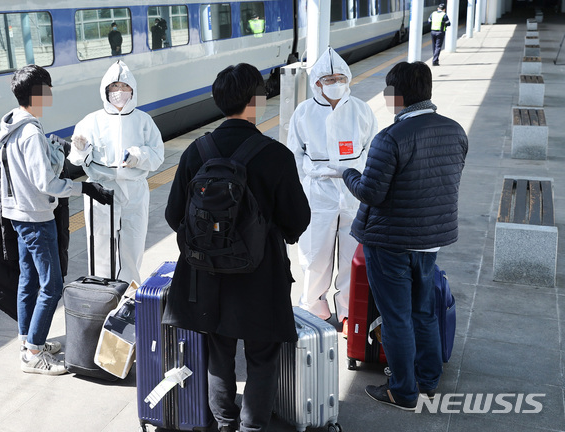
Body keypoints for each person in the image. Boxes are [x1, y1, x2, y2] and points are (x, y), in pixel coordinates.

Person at [162, 63, 310, 432]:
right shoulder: (276, 155)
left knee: (218, 352)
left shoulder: (196, 152)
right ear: (257, 101)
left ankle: (225, 422)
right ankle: (253, 426)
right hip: (261, 275)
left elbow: (172, 215)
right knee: (262, 354)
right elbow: (298, 219)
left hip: (206, 276)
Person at [338, 61, 468, 409]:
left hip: (391, 243)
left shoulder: (390, 137)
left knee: (396, 317)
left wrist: (348, 172)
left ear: (397, 96)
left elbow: (371, 193)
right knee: (423, 312)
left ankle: (403, 391)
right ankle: (428, 382)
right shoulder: (455, 130)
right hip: (431, 239)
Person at [0, 65, 113, 375]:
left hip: (18, 214)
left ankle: (28, 341)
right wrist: (83, 187)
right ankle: (33, 353)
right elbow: (45, 183)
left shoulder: (12, 126)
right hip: (35, 216)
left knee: (29, 280)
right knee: (51, 285)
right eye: (47, 89)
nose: (50, 94)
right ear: (37, 94)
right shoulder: (30, 132)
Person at [286, 47, 377, 337]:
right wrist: (304, 187)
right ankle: (313, 309)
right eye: (328, 78)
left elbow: (374, 150)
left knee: (352, 257)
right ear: (317, 82)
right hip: (318, 194)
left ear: (348, 78)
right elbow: (294, 156)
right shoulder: (303, 112)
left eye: (340, 77)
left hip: (355, 193)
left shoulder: (362, 110)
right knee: (315, 256)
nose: (335, 82)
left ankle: (350, 312)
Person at [69, 60, 164, 285]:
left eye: (124, 87)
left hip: (134, 190)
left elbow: (158, 155)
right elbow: (75, 158)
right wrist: (80, 149)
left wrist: (138, 155)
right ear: (105, 90)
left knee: (132, 245)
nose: (119, 92)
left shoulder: (143, 121)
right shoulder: (91, 121)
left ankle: (129, 294)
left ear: (133, 90)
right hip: (101, 191)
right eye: (114, 87)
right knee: (100, 247)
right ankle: (102, 294)